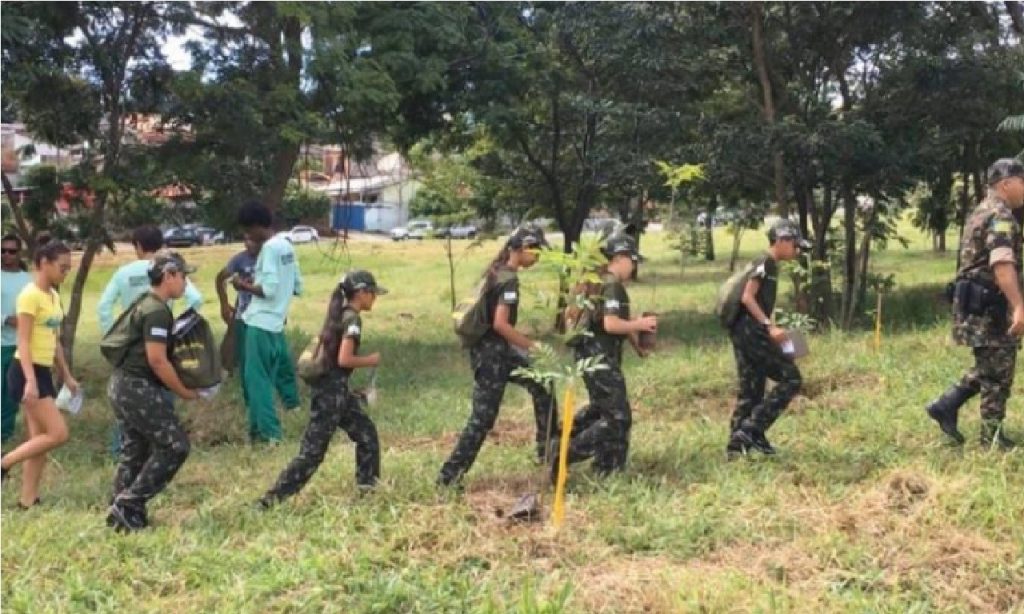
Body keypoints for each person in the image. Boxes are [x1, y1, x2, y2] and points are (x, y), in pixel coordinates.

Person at [437, 226, 558, 487]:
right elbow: (501, 324)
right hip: (492, 356)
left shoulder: (498, 270)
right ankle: (449, 476)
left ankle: (548, 451)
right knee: (482, 419)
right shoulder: (508, 280)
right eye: (536, 250)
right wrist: (531, 345)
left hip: (497, 352)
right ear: (523, 248)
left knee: (543, 383)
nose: (538, 256)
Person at [259, 270, 385, 507]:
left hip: (336, 391)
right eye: (372, 293)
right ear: (361, 293)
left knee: (367, 434)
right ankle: (270, 500)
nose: (374, 298)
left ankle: (368, 492)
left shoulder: (340, 315)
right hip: (331, 393)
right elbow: (344, 360)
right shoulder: (353, 320)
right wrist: (371, 359)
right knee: (312, 453)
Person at [926, 157, 1024, 449]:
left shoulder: (982, 210)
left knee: (993, 365)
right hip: (990, 306)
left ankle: (946, 404)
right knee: (998, 372)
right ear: (1006, 184)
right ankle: (992, 438)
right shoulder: (1001, 215)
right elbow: (1002, 264)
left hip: (976, 304)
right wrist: (1018, 305)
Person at [106, 251, 200, 531]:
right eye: (183, 276)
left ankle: (118, 510)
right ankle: (130, 503)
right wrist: (184, 391)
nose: (185, 283)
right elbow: (157, 361)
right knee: (175, 446)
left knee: (135, 451)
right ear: (169, 275)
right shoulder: (157, 310)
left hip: (121, 385)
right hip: (137, 387)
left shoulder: (145, 302)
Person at [554, 233, 656, 478]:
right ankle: (563, 455)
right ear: (619, 257)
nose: (634, 266)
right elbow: (611, 324)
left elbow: (614, 320)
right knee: (617, 418)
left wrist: (636, 343)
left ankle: (608, 467)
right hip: (599, 357)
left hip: (590, 355)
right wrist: (640, 325)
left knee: (604, 410)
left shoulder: (599, 280)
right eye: (632, 260)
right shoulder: (611, 285)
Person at [97, 225, 203, 456]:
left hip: (133, 347)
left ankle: (121, 451)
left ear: (137, 246)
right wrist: (178, 330)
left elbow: (103, 307)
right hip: (159, 346)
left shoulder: (124, 273)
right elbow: (196, 298)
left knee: (128, 408)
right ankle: (159, 448)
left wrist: (117, 336)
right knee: (163, 400)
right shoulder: (172, 269)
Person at [0, 241, 77, 509]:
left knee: (39, 443)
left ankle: (27, 500)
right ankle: (4, 463)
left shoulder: (53, 296)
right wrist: (31, 381)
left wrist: (66, 374)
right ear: (44, 263)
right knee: (58, 433)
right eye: (62, 267)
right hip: (25, 371)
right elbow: (23, 341)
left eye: (69, 268)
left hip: (43, 370)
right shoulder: (29, 295)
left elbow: (54, 340)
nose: (65, 272)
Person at [726, 219, 808, 458]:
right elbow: (747, 297)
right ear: (781, 240)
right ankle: (752, 428)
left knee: (751, 388)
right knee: (791, 378)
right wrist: (768, 326)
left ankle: (736, 446)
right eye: (795, 244)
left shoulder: (768, 264)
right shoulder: (765, 262)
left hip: (743, 330)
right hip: (751, 330)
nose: (797, 250)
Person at [233, 201, 303, 443]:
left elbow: (269, 289)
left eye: (248, 230)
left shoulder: (269, 250)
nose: (248, 235)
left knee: (257, 383)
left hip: (259, 323)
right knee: (263, 377)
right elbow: (297, 285)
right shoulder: (287, 246)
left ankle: (269, 434)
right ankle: (256, 433)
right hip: (276, 323)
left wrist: (244, 286)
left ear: (256, 226)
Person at [1, 234, 33, 445]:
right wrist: (6, 319)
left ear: (19, 253)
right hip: (1, 342)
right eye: (2, 251)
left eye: (12, 251)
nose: (6, 255)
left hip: (22, 344)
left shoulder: (28, 280)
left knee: (12, 392)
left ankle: (5, 433)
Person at [215, 238, 259, 377]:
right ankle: (231, 370)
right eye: (245, 239)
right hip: (244, 310)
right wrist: (224, 303)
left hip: (266, 312)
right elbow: (220, 278)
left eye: (252, 239)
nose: (248, 243)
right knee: (236, 341)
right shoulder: (240, 260)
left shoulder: (270, 257)